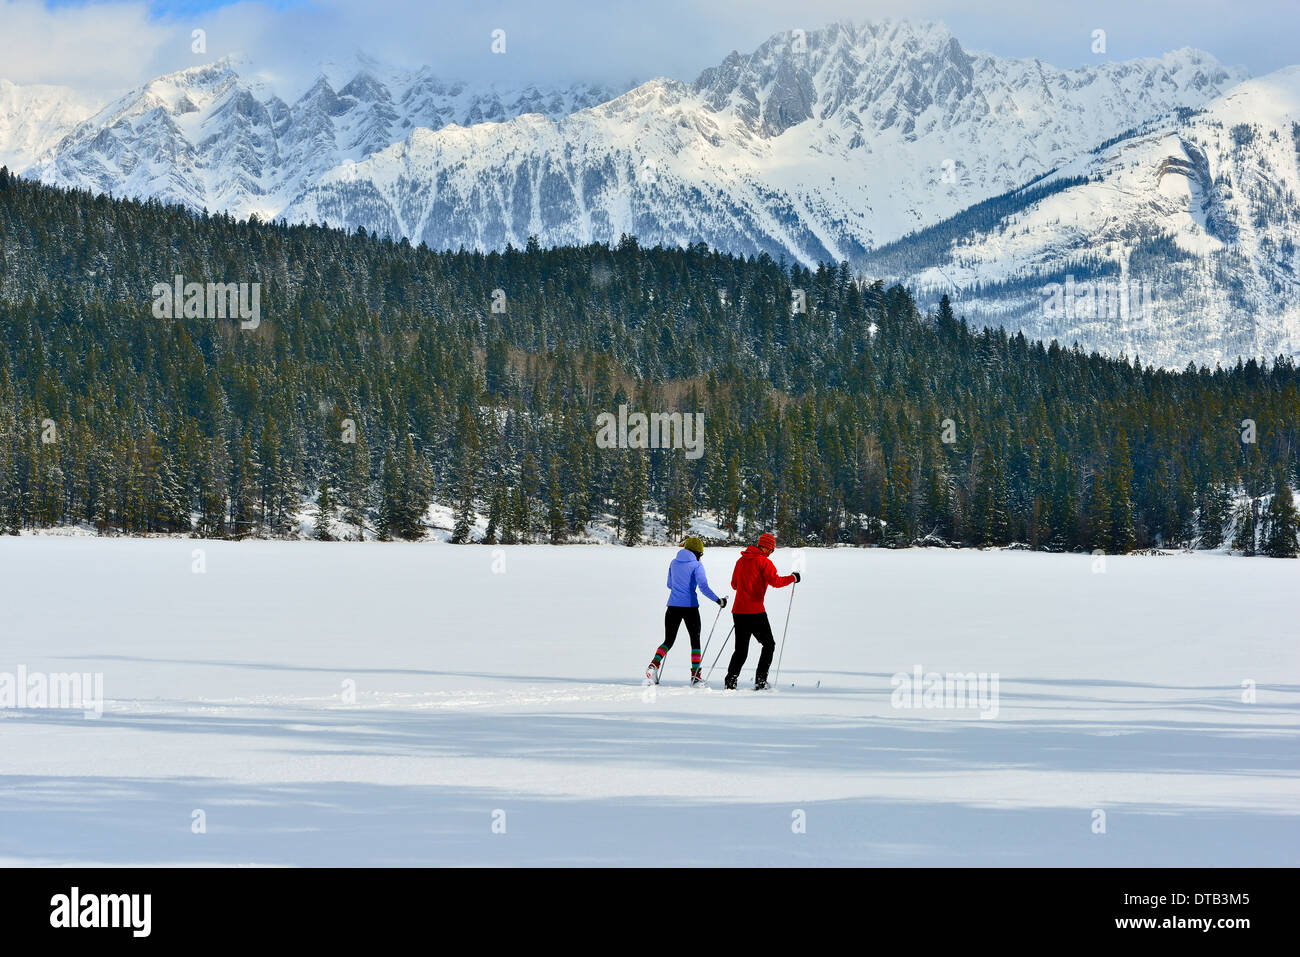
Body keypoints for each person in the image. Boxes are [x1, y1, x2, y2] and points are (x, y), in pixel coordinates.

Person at [725, 532, 800, 690]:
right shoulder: (764, 562)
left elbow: (734, 585)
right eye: (772, 550)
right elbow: (776, 582)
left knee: (740, 650)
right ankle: (760, 681)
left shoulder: (740, 560)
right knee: (769, 645)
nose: (772, 553)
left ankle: (730, 682)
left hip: (738, 611)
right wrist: (792, 578)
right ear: (767, 548)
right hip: (755, 611)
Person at [647, 537, 727, 686]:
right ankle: (695, 676)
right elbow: (703, 588)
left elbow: (669, 584)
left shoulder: (674, 562)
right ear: (698, 552)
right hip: (690, 608)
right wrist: (719, 601)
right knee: (695, 642)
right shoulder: (697, 566)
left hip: (672, 606)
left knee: (668, 641)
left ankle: (654, 664)